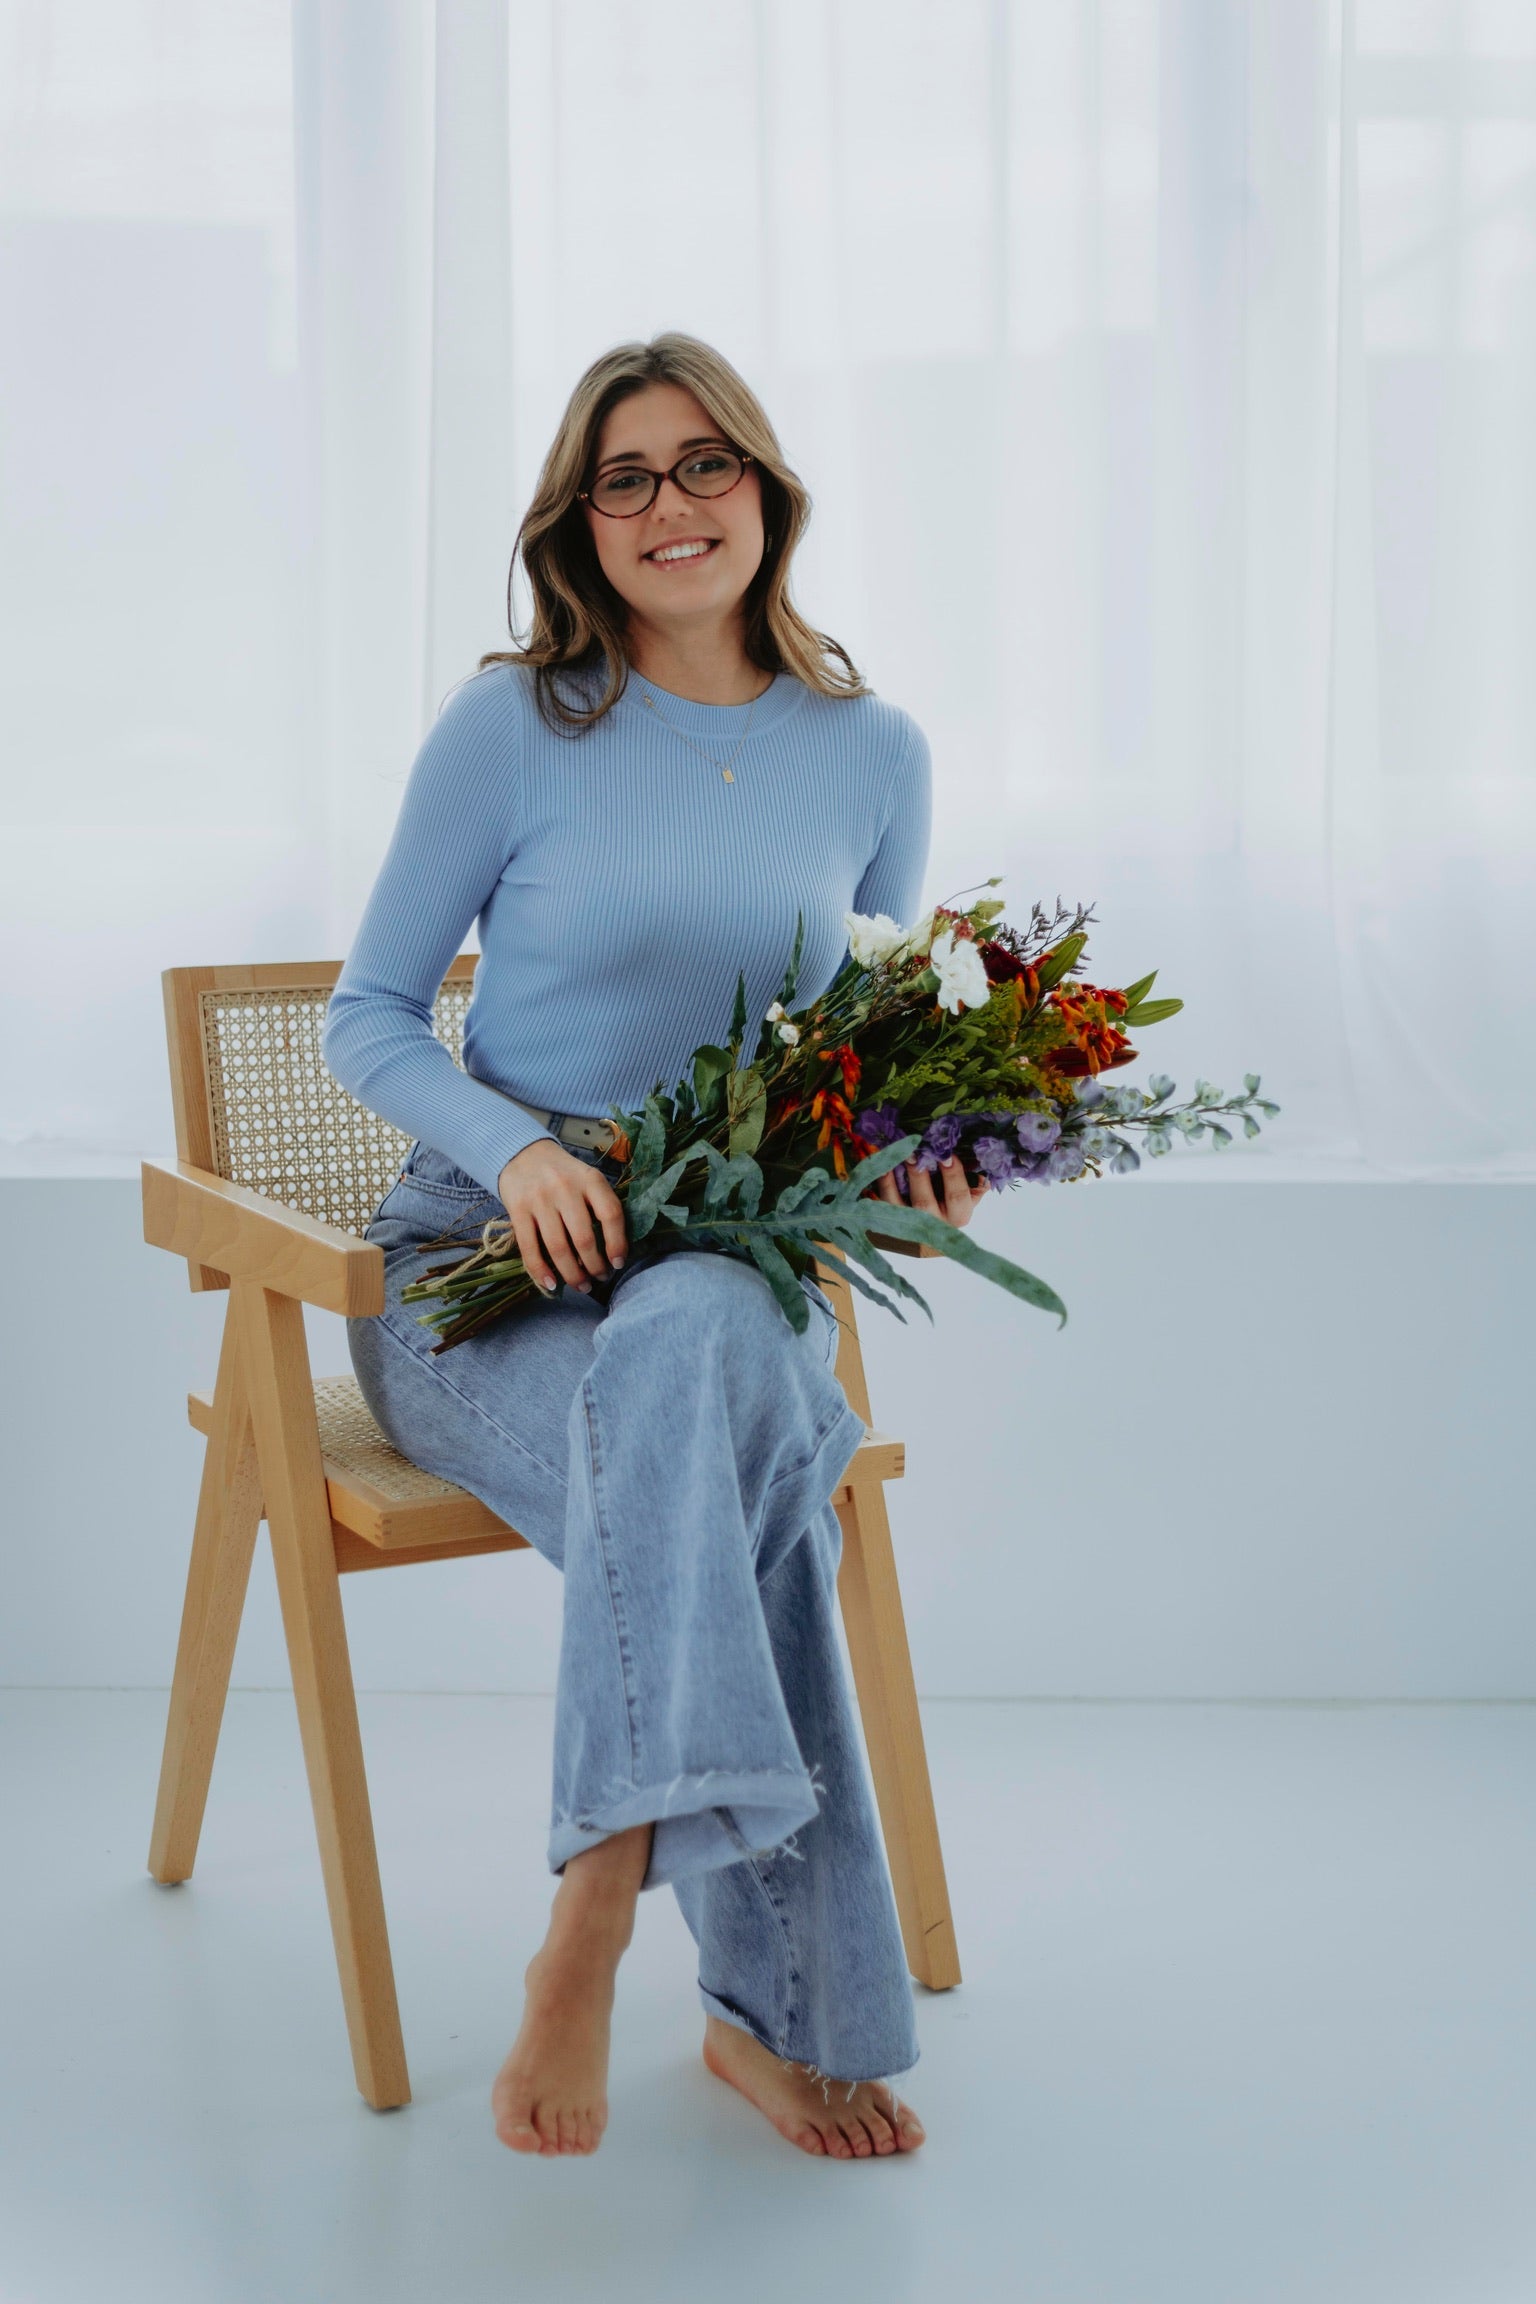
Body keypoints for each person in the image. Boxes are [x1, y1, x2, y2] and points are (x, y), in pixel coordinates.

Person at [322, 332, 984, 2162]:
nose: (671, 504)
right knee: (729, 1479)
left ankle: (596, 1898)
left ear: (765, 490)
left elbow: (859, 1057)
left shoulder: (873, 752)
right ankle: (778, 2020)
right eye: (625, 478)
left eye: (706, 464)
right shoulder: (515, 727)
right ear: (581, 524)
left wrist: (922, 1160)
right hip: (484, 1280)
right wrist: (518, 1147)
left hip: (717, 1268)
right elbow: (369, 1015)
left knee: (699, 1364)